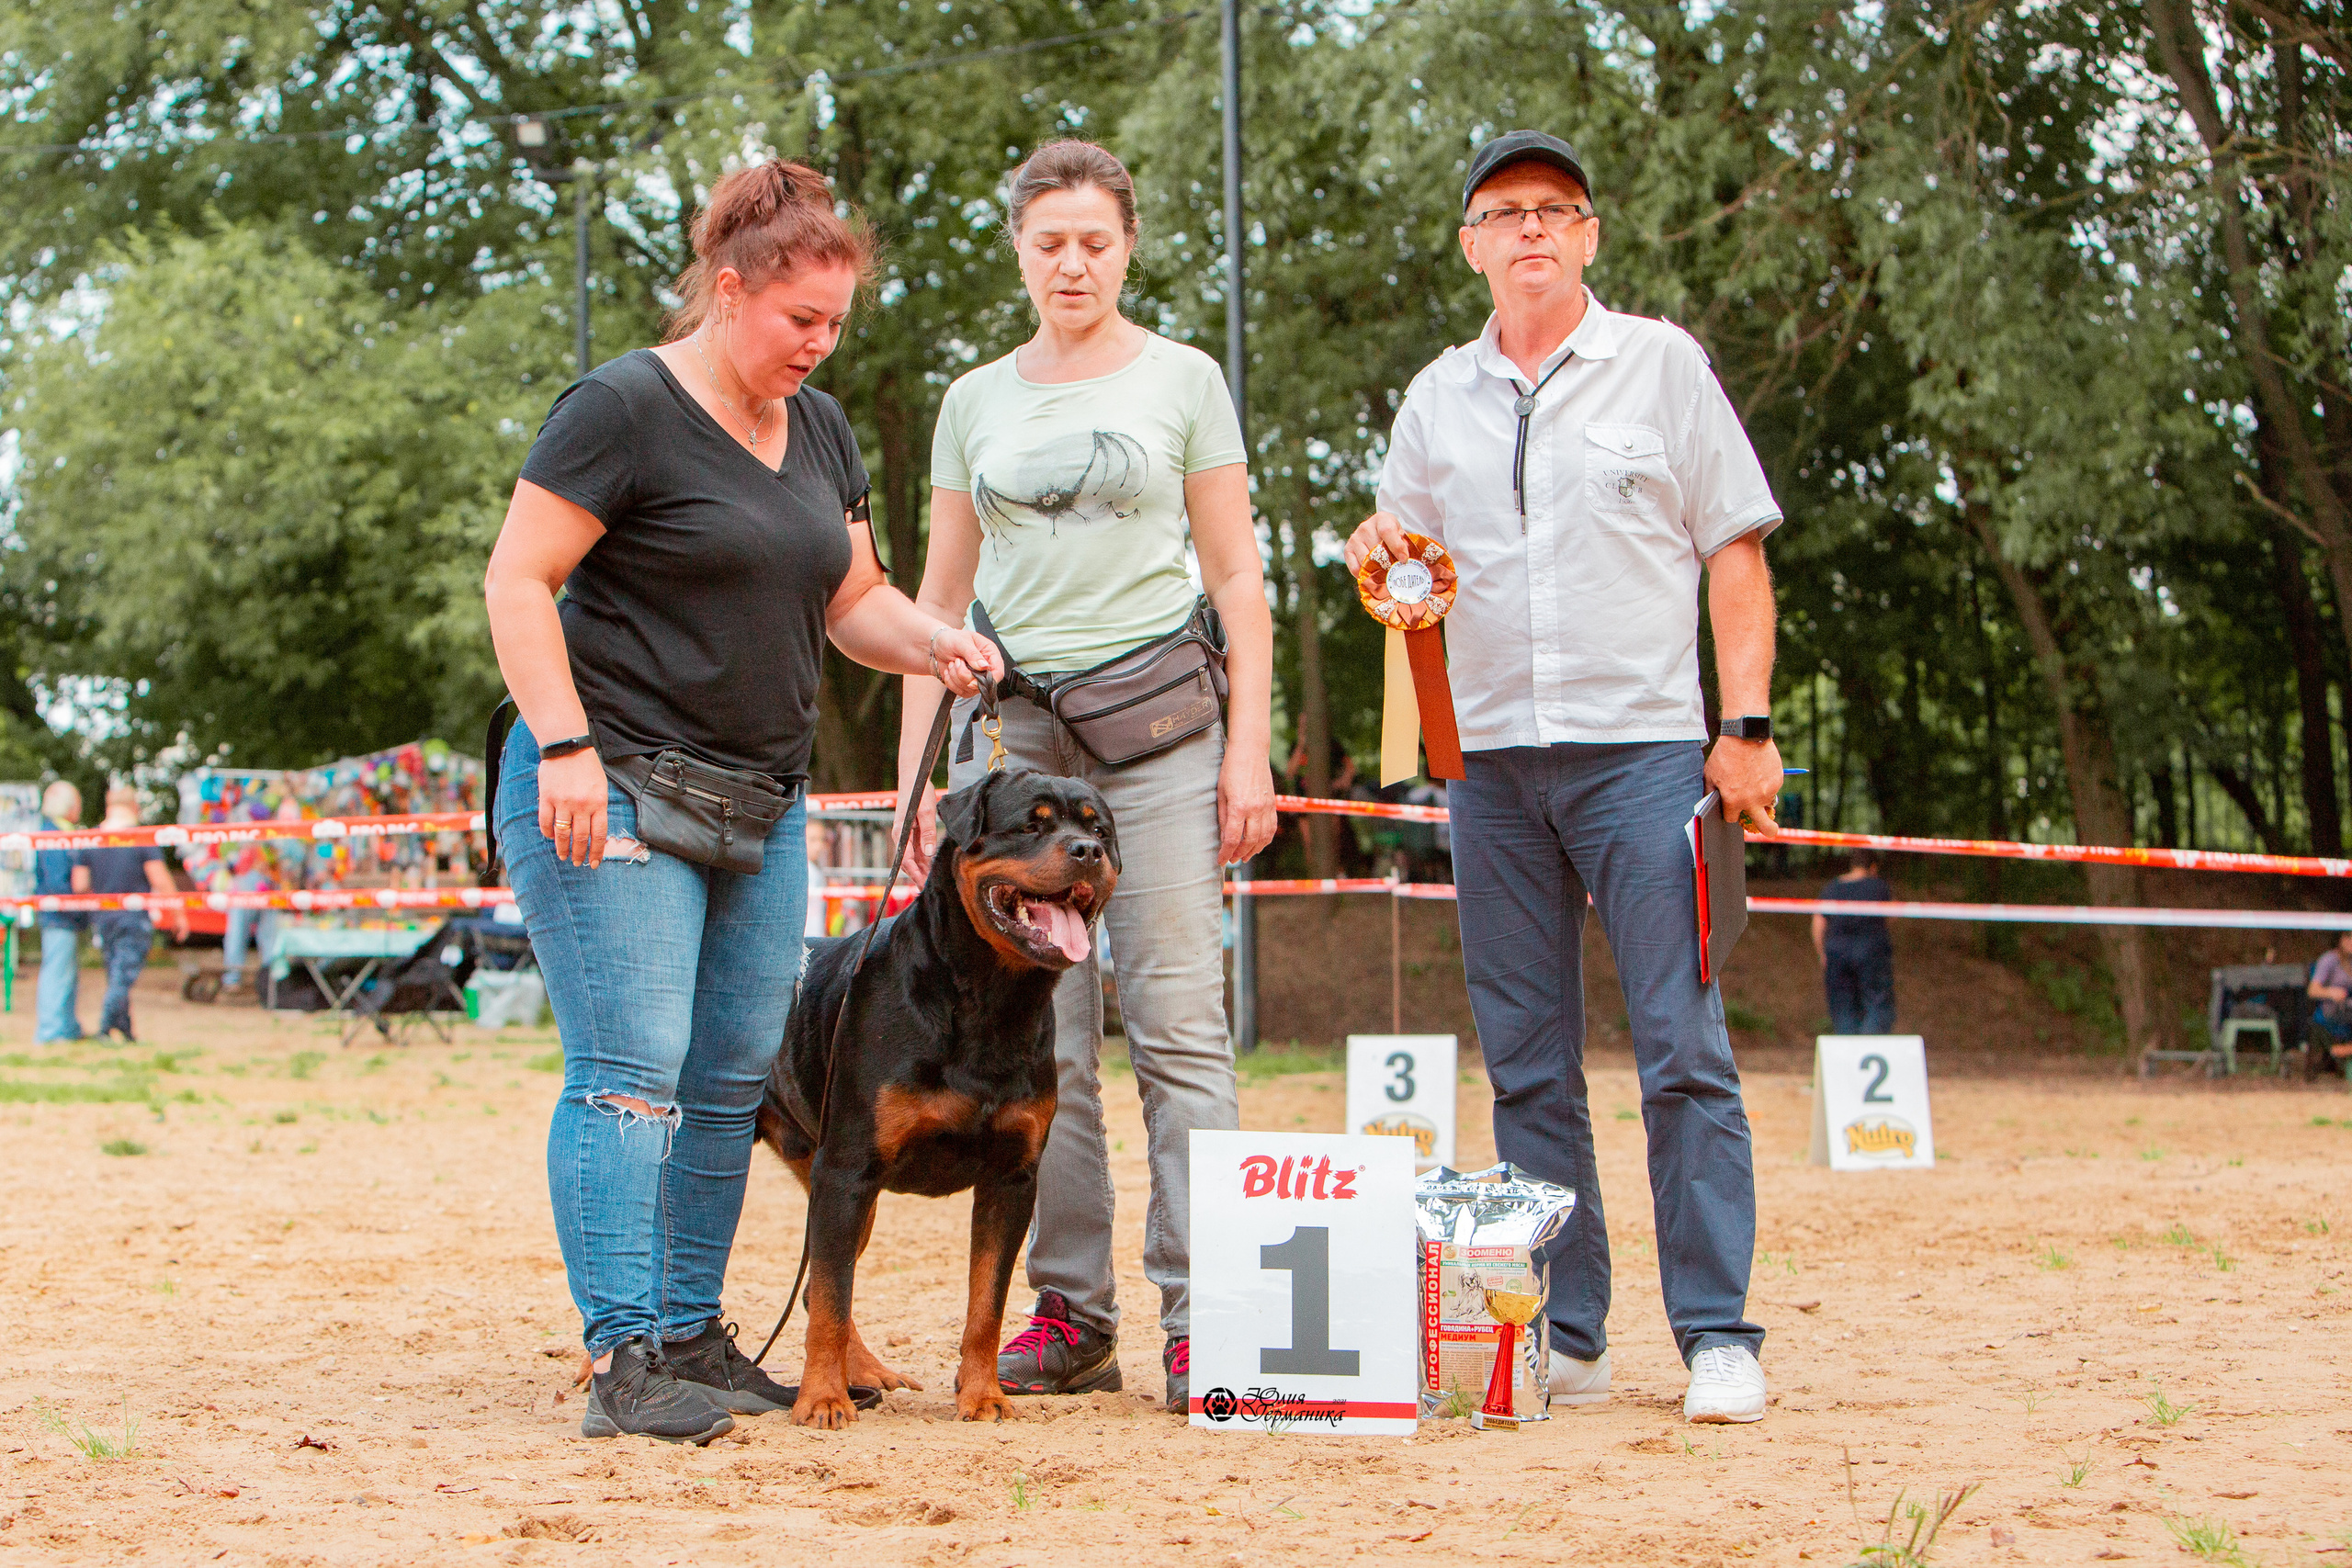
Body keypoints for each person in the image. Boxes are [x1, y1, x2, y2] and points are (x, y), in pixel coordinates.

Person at [483, 158, 1002, 1445]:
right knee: (630, 1075)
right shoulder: (620, 409)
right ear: (729, 291)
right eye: (799, 322)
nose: (819, 347)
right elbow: (516, 578)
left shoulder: (816, 427)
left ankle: (690, 1331)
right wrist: (563, 747)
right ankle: (624, 1356)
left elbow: (852, 601)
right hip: (613, 789)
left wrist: (935, 636)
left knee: (729, 1078)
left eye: (836, 325)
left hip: (759, 804)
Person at [1345, 130, 1784, 1424]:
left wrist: (1745, 722)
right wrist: (1377, 540)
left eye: (1555, 209)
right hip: (1487, 768)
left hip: (1646, 754)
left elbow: (1736, 551)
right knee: (1527, 1063)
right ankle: (1565, 1327)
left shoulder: (1662, 364)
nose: (1530, 229)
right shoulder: (1434, 397)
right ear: (1471, 241)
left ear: (1590, 235)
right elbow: (1403, 570)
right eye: (1503, 211)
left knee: (1682, 1048)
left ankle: (1716, 1331)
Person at [894, 140, 1277, 1416]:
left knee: (1179, 1030)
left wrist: (1249, 748)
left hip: (1159, 745)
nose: (1072, 260)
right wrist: (915, 802)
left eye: (1095, 239)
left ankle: (1205, 1312)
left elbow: (1235, 579)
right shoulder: (969, 399)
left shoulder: (1186, 379)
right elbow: (934, 607)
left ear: (1128, 244)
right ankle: (1071, 1312)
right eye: (1049, 239)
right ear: (1018, 248)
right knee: (1034, 1044)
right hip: (1011, 752)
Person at [70, 784, 189, 1043]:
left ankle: (124, 1030)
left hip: (102, 918)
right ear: (135, 807)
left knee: (116, 973)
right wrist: (179, 914)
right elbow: (160, 880)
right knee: (122, 978)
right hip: (134, 918)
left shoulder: (91, 839)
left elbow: (79, 884)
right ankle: (104, 1029)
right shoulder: (140, 837)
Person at [1815, 849, 1895, 1033]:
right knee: (1877, 1004)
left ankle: (1848, 1054)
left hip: (1837, 952)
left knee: (1842, 1008)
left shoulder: (1832, 887)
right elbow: (1892, 915)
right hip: (1871, 952)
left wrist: (1822, 953)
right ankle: (1872, 1047)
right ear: (1873, 867)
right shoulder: (1878, 886)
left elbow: (1818, 923)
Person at [33, 780, 86, 1043]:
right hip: (59, 914)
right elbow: (56, 880)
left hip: (64, 915)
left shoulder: (61, 831)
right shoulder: (54, 834)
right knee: (57, 972)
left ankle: (66, 1027)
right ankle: (52, 1031)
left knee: (66, 973)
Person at [2305, 932, 2352, 1054]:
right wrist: (2331, 992)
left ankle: (2346, 1050)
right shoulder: (2329, 960)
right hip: (2331, 1013)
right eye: (2349, 938)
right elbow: (2312, 990)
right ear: (2342, 939)